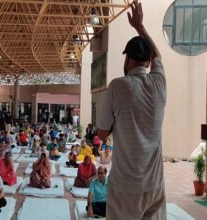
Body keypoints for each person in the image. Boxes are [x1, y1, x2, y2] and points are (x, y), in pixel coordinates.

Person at [96, 1, 166, 219]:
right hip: (155, 186)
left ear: (127, 59)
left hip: (126, 187)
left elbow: (101, 133)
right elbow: (159, 57)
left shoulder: (117, 86)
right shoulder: (160, 82)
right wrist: (140, 26)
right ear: (147, 62)